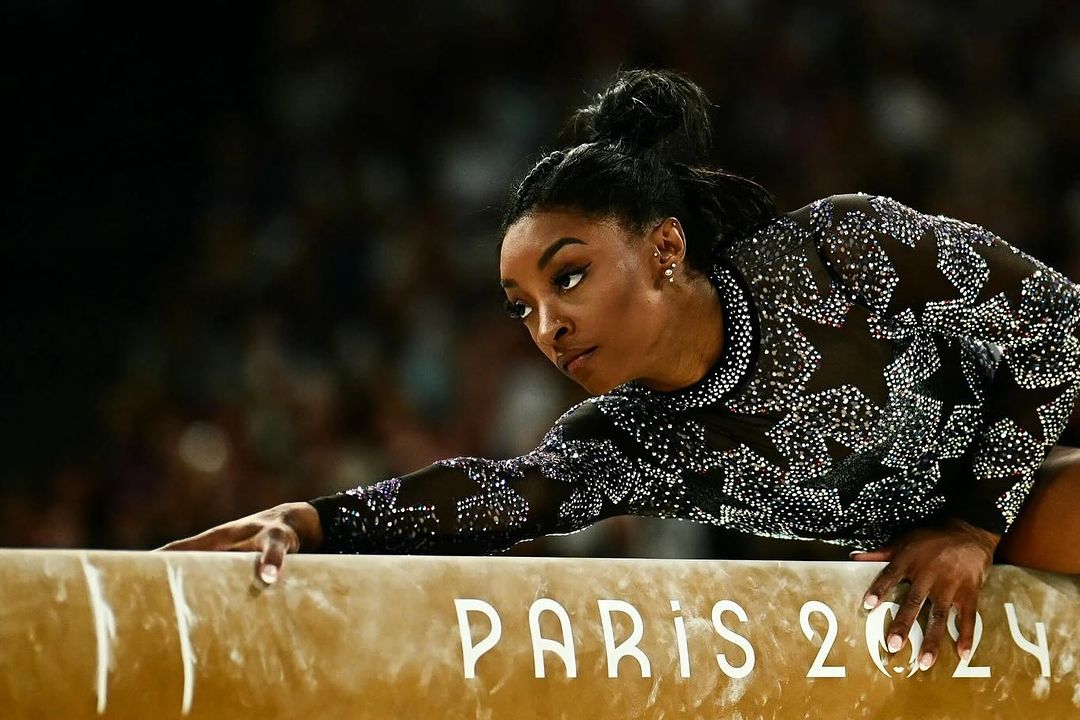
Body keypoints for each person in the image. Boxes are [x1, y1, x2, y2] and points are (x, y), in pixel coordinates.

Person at [162, 69, 1080, 673]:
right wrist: (312, 521)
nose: (548, 327)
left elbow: (1056, 323)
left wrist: (972, 521)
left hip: (1032, 453)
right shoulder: (631, 443)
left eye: (568, 277)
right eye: (521, 307)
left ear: (666, 249)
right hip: (945, 540)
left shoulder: (841, 254)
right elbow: (499, 496)